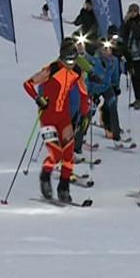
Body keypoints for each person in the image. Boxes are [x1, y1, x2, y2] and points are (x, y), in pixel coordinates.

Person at [23, 40, 89, 202]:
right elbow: (28, 84)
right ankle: (45, 177)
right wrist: (38, 99)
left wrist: (85, 113)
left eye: (73, 61)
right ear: (61, 58)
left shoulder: (77, 72)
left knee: (68, 154)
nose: (70, 65)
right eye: (68, 61)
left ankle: (64, 188)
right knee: (56, 154)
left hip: (64, 118)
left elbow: (83, 93)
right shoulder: (51, 69)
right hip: (48, 118)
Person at [86, 38, 125, 143]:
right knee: (89, 110)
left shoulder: (114, 61)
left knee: (112, 105)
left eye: (109, 49)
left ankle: (114, 132)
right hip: (93, 87)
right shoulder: (94, 60)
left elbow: (115, 74)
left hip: (106, 87)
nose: (108, 51)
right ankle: (80, 133)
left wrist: (116, 85)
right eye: (105, 49)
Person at [119, 3, 140, 109]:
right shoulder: (128, 23)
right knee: (134, 77)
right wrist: (125, 22)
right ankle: (138, 98)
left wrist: (131, 24)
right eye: (131, 11)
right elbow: (122, 34)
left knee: (139, 78)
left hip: (139, 54)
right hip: (130, 54)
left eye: (134, 11)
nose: (132, 14)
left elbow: (139, 33)